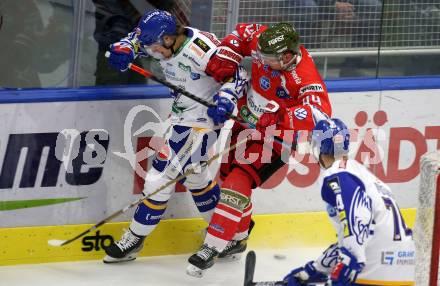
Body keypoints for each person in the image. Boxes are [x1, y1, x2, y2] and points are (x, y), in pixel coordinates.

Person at [186, 22, 333, 277]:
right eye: (260, 56)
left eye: (267, 58)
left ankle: (213, 245)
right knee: (228, 175)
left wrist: (281, 117)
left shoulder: (304, 76)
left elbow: (319, 111)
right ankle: (239, 237)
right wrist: (227, 55)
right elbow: (242, 33)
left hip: (277, 138)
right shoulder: (266, 42)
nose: (260, 62)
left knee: (237, 180)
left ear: (287, 56)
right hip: (247, 123)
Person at [102, 9, 249, 263]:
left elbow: (238, 75)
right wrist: (124, 48)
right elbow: (137, 40)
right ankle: (231, 233)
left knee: (159, 178)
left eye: (154, 47)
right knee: (196, 179)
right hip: (181, 118)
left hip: (203, 122)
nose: (150, 53)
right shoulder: (160, 36)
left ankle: (135, 238)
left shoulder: (204, 50)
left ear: (169, 39)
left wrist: (225, 98)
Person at [283, 118, 415, 285]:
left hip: (376, 272)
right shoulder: (359, 173)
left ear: (318, 148)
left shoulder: (337, 175)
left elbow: (358, 224)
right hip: (402, 268)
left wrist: (348, 264)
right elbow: (356, 233)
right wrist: (317, 269)